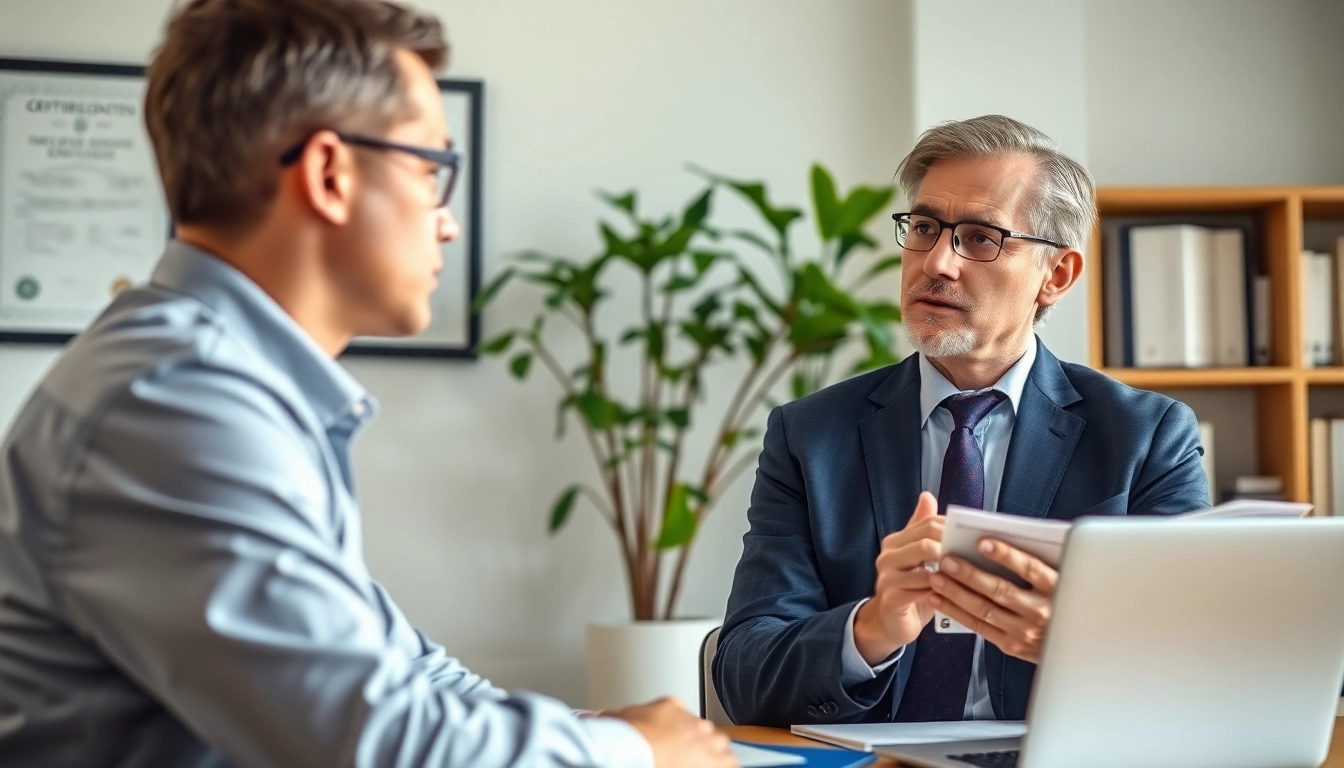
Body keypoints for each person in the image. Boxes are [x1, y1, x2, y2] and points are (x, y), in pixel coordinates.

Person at [0, 1, 735, 766]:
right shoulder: (174, 404)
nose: (446, 222)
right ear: (329, 173)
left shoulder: (225, 385)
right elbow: (380, 747)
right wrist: (634, 752)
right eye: (431, 170)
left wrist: (593, 735)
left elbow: (397, 667)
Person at [712, 114, 1210, 726]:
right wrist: (871, 628)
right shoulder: (811, 435)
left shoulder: (1147, 436)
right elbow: (742, 672)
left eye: (980, 238)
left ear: (1056, 275)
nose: (936, 263)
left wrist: (1075, 643)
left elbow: (1197, 664)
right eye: (924, 228)